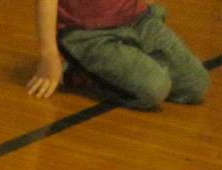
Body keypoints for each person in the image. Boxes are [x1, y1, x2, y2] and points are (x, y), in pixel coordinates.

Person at [26, 1, 209, 110]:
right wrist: (49, 54)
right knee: (154, 89)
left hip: (138, 20)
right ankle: (80, 72)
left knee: (195, 84)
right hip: (89, 35)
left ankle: (128, 63)